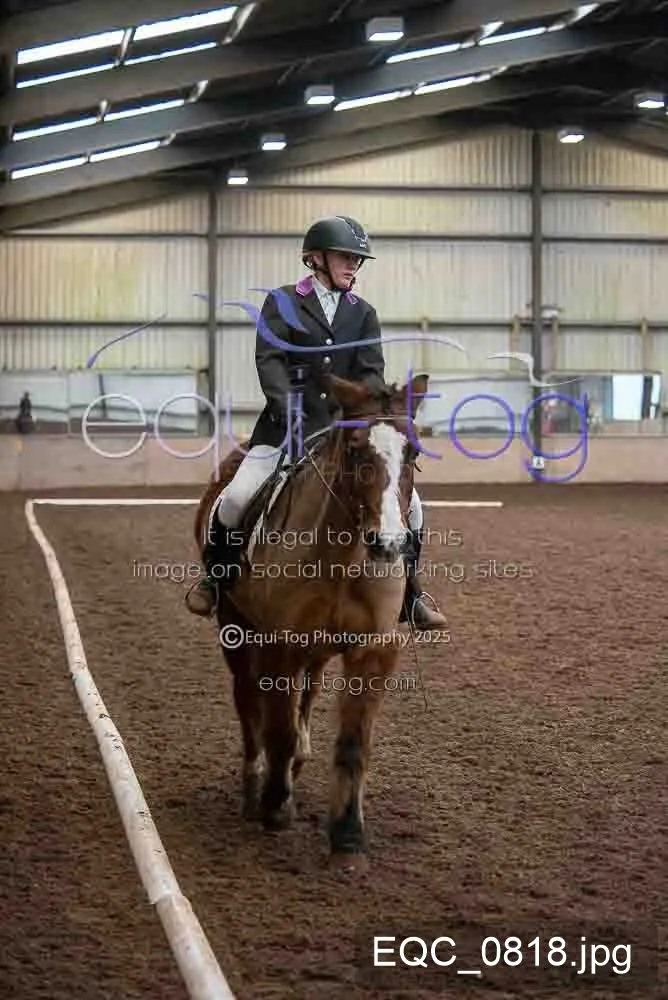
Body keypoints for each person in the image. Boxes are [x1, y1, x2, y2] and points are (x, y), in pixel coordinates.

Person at [185, 215, 447, 628]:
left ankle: (411, 594)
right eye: (346, 257)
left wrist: (370, 417)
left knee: (411, 507)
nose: (353, 265)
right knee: (237, 497)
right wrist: (286, 405)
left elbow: (371, 373)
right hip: (285, 429)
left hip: (344, 435)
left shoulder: (363, 314)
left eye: (358, 260)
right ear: (316, 258)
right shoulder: (283, 302)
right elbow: (270, 361)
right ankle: (215, 580)